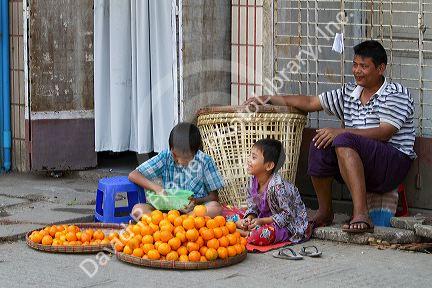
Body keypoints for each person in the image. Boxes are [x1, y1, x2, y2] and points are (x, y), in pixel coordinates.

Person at [245, 40, 415, 233]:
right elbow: (310, 102)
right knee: (320, 141)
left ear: (380, 68)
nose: (357, 71)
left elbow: (385, 132)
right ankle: (325, 211)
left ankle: (361, 214)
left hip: (392, 163)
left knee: (341, 139)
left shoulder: (396, 93)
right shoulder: (350, 92)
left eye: (364, 66)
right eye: (355, 65)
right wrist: (268, 98)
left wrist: (343, 132)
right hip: (357, 160)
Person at [129, 122, 224, 218]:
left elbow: (214, 197)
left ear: (194, 153)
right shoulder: (166, 156)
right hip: (167, 210)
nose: (176, 159)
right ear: (170, 148)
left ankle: (182, 221)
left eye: (182, 157)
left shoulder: (205, 161)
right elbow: (134, 175)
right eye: (174, 154)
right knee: (137, 210)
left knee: (215, 208)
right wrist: (157, 188)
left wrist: (195, 201)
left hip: (193, 211)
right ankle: (170, 221)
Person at [236, 138, 308, 245]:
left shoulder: (278, 187)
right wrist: (250, 218)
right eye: (250, 155)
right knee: (230, 216)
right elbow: (253, 206)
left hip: (284, 225)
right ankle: (244, 230)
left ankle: (241, 233)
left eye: (254, 157)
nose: (249, 160)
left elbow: (287, 215)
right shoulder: (252, 181)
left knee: (262, 234)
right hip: (262, 218)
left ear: (269, 166)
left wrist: (262, 221)